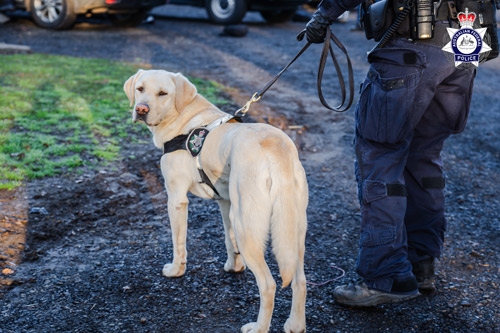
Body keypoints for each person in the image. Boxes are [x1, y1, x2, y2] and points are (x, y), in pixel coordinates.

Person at [304, 0, 495, 307]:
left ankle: (386, 276)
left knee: (380, 156)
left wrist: (324, 14)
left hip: (415, 43)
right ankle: (421, 265)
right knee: (425, 156)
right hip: (466, 45)